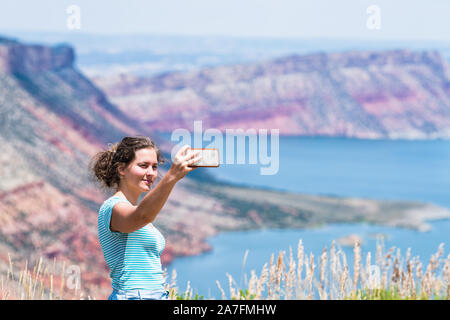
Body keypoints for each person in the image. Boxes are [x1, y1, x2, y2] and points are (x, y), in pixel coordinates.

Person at [88, 136, 201, 300]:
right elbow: (142, 215)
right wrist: (172, 176)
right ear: (121, 169)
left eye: (154, 167)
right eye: (143, 166)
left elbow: (142, 214)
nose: (151, 173)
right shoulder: (112, 207)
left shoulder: (132, 209)